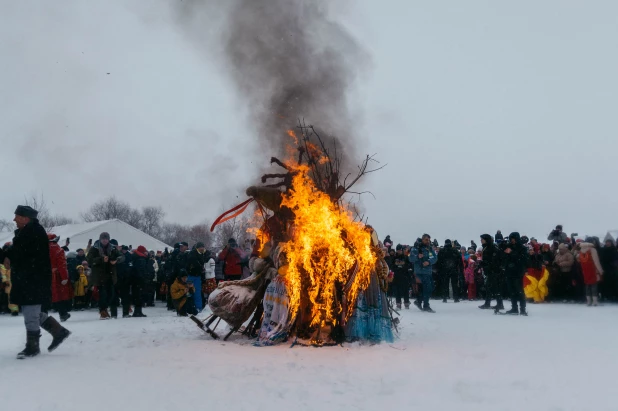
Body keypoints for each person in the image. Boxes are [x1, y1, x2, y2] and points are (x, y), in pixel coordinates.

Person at [0, 205, 71, 359]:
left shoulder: (32, 233)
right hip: (30, 280)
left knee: (30, 314)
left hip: (32, 281)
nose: (14, 220)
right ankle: (58, 331)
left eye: (17, 217)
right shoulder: (28, 232)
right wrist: (6, 254)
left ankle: (32, 347)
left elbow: (21, 254)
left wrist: (7, 254)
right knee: (31, 312)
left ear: (26, 218)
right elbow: (19, 252)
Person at [87, 232, 120, 319]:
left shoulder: (113, 248)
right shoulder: (94, 248)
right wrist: (101, 259)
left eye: (106, 239)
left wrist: (116, 260)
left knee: (111, 294)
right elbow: (89, 260)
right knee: (103, 294)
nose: (105, 240)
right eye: (103, 239)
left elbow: (121, 256)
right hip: (99, 275)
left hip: (110, 275)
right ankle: (102, 311)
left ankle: (105, 308)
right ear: (100, 239)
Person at [410, 234, 438, 313]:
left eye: (428, 240)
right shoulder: (415, 248)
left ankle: (419, 301)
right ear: (422, 239)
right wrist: (417, 257)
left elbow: (435, 257)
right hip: (420, 271)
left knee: (430, 287)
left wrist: (428, 262)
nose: (427, 241)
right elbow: (411, 258)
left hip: (428, 271)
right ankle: (426, 305)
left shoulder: (429, 248)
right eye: (426, 239)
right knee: (427, 288)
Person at [48, 234, 73, 322]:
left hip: (48, 275)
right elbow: (62, 265)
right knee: (61, 295)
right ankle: (63, 313)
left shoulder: (42, 249)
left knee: (54, 295)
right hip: (57, 275)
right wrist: (64, 277)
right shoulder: (58, 250)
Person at [503, 232, 529, 316]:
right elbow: (505, 259)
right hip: (509, 272)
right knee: (511, 291)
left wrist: (512, 253)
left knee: (519, 291)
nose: (512, 240)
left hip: (518, 272)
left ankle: (522, 309)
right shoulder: (508, 247)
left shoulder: (522, 248)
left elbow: (523, 260)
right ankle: (514, 308)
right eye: (511, 239)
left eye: (513, 239)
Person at [478, 234, 504, 310]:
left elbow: (495, 261)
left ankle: (499, 304)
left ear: (486, 240)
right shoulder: (486, 247)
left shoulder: (492, 248)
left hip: (494, 271)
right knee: (489, 287)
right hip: (490, 270)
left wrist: (486, 265)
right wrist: (482, 263)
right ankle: (488, 303)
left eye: (482, 239)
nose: (481, 240)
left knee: (495, 288)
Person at [577, 241, 604, 306]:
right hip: (592, 269)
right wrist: (600, 270)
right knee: (594, 285)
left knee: (587, 285)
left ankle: (588, 301)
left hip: (585, 270)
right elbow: (596, 261)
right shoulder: (592, 250)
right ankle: (595, 301)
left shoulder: (581, 250)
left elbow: (578, 260)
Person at [125, 245, 148, 317]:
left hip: (133, 279)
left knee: (136, 295)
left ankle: (136, 311)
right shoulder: (141, 259)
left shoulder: (133, 256)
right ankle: (138, 311)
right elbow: (141, 270)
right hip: (139, 280)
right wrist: (144, 278)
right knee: (139, 295)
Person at [187, 242, 207, 311]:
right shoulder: (192, 253)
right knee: (190, 291)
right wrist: (200, 267)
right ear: (198, 248)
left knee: (197, 292)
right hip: (191, 275)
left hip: (197, 276)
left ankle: (198, 307)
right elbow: (195, 263)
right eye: (201, 247)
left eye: (203, 247)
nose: (202, 248)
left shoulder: (201, 254)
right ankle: (190, 306)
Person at [391, 244, 411, 309]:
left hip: (404, 276)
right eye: (398, 250)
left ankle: (406, 303)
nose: (399, 251)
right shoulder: (394, 258)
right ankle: (398, 304)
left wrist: (404, 268)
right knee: (397, 291)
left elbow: (409, 266)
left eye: (400, 250)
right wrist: (397, 268)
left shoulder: (405, 257)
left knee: (406, 290)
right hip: (397, 276)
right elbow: (392, 266)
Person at [1, 248, 19, 316]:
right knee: (11, 296)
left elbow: (3, 271)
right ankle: (14, 310)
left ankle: (14, 310)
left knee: (11, 296)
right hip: (11, 281)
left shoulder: (6, 260)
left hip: (11, 281)